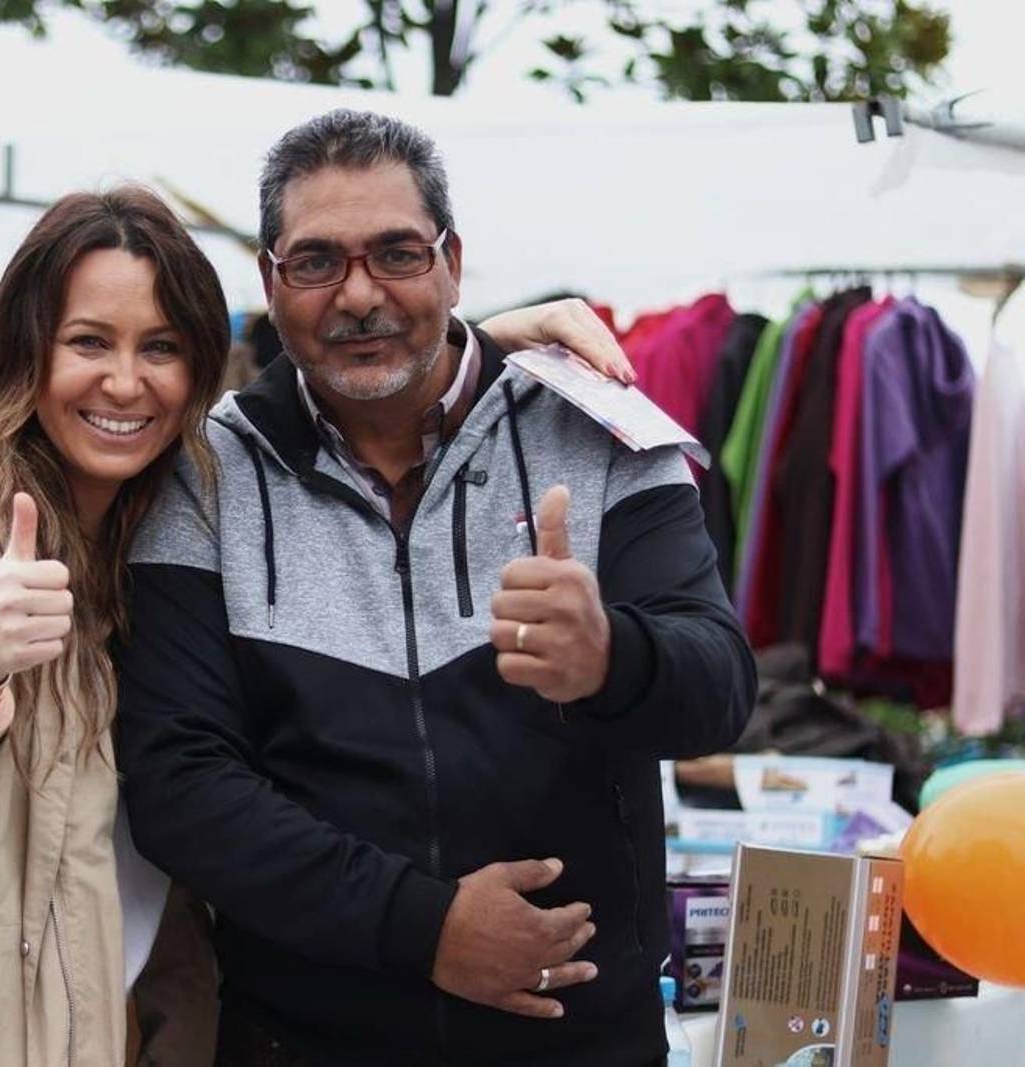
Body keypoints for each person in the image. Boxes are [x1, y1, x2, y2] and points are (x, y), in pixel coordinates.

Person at [115, 109, 756, 1066]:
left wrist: (611, 658)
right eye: (318, 261)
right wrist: (427, 927)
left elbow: (720, 693)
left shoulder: (599, 428)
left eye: (398, 254)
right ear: (269, 278)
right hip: (301, 1041)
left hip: (582, 1041)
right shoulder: (203, 476)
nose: (359, 294)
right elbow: (179, 786)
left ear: (452, 261)